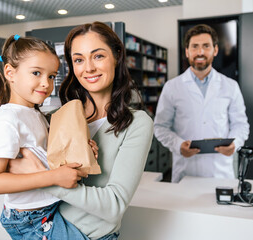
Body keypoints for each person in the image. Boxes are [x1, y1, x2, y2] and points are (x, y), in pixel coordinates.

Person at [9, 22, 154, 239]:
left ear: (116, 57)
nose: (88, 68)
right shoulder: (53, 118)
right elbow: (11, 168)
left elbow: (114, 205)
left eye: (98, 56)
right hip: (41, 230)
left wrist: (45, 178)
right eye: (78, 59)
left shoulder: (135, 123)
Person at [0, 34, 94, 240]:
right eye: (36, 73)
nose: (46, 84)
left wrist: (83, 151)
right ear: (10, 72)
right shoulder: (5, 119)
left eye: (51, 76)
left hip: (49, 207)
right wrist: (54, 177)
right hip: (31, 218)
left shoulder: (35, 113)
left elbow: (46, 158)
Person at [154, 24, 249, 183]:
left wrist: (235, 143)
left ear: (215, 50)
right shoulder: (172, 87)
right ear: (187, 51)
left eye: (206, 46)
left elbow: (241, 125)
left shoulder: (230, 86)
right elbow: (160, 127)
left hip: (220, 173)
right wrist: (178, 145)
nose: (200, 52)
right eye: (195, 47)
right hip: (185, 173)